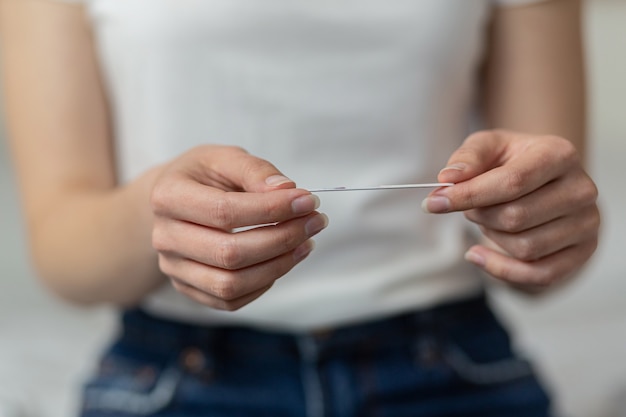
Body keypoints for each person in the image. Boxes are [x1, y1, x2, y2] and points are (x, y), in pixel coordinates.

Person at [0, 0, 600, 416]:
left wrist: (546, 227)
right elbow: (62, 250)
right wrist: (158, 211)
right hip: (174, 377)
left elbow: (546, 225)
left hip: (456, 369)